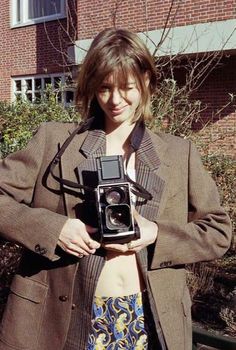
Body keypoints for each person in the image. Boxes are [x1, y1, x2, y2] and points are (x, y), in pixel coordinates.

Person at [0, 28, 232, 350]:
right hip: (63, 318)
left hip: (146, 318)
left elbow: (218, 231)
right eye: (105, 87)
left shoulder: (179, 154)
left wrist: (155, 234)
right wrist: (55, 229)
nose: (115, 99)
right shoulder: (54, 140)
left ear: (147, 82)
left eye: (127, 87)